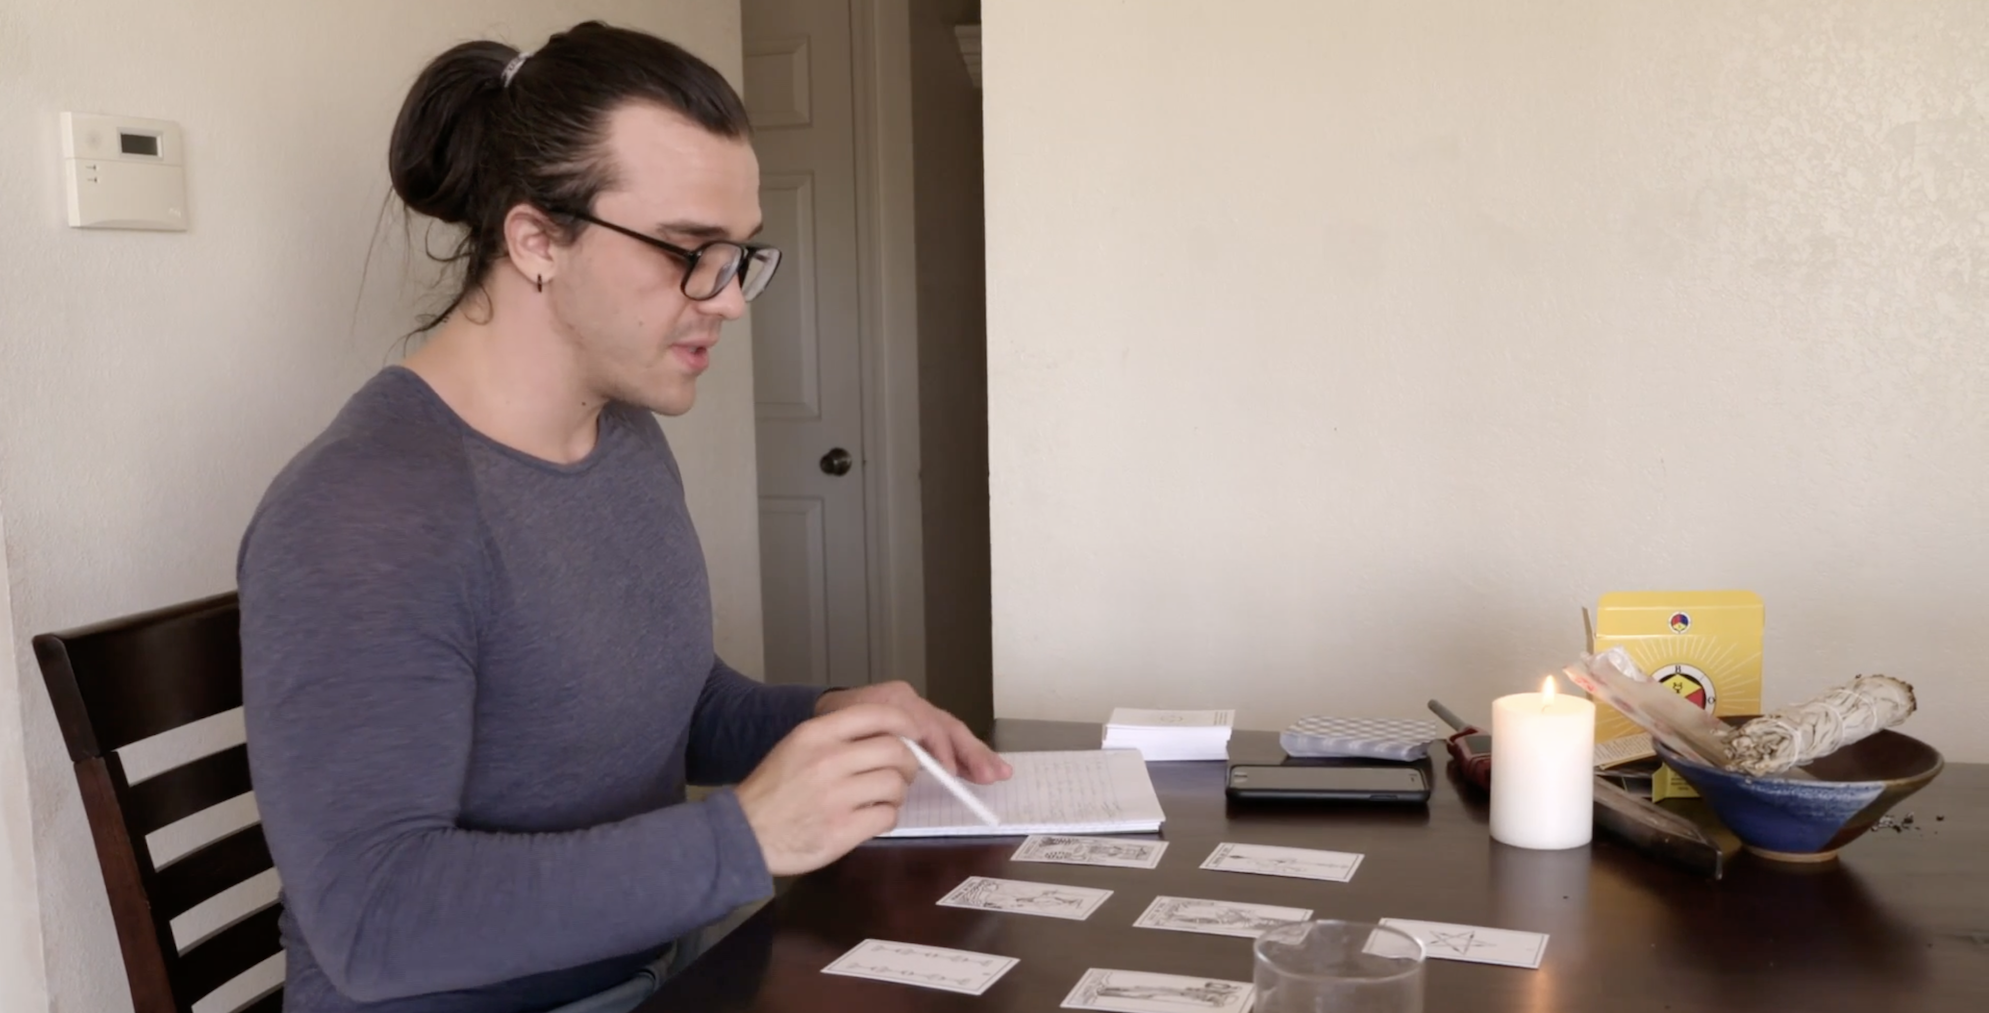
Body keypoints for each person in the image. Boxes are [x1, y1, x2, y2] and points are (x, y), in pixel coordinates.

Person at [238, 22, 1009, 1013]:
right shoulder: (369, 509)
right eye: (691, 252)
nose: (729, 300)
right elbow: (375, 919)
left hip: (669, 972)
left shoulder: (624, 434)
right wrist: (747, 836)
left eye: (739, 256)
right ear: (535, 241)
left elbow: (661, 710)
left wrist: (831, 717)